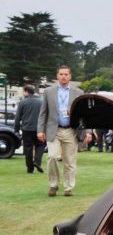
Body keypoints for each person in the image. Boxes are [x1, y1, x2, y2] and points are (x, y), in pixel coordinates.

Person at [37, 66, 84, 197]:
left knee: (70, 161)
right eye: (61, 74)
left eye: (66, 74)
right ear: (57, 76)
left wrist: (89, 132)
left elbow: (84, 114)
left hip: (71, 130)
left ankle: (68, 188)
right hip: (53, 130)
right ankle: (53, 184)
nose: (63, 76)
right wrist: (40, 130)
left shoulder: (79, 92)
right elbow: (43, 113)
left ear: (70, 76)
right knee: (52, 157)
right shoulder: (48, 91)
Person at [14, 86, 45, 173]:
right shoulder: (40, 102)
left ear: (26, 92)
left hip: (26, 128)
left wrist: (16, 129)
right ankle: (37, 162)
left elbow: (18, 117)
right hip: (38, 128)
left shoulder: (22, 102)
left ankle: (30, 168)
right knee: (41, 145)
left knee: (28, 148)